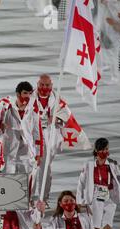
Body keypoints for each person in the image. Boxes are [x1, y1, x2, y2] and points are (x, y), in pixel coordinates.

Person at [77, 138, 120, 229]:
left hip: (109, 198)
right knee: (96, 228)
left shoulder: (113, 164)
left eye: (106, 149)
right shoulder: (88, 165)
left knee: (108, 226)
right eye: (102, 149)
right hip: (95, 198)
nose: (105, 152)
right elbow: (81, 182)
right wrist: (80, 200)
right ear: (96, 151)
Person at [29, 74, 70, 204]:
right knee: (32, 167)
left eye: (47, 85)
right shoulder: (30, 98)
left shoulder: (58, 99)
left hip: (49, 136)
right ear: (37, 84)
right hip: (33, 136)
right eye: (41, 85)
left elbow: (66, 115)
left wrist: (56, 119)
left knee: (45, 168)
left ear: (51, 86)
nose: (44, 87)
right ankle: (28, 198)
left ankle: (43, 198)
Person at [0, 81, 42, 174]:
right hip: (9, 152)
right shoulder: (8, 108)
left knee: (26, 182)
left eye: (30, 93)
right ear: (18, 94)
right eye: (25, 93)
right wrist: (2, 127)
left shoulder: (34, 111)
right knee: (9, 181)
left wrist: (38, 154)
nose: (28, 96)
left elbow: (37, 134)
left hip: (26, 153)